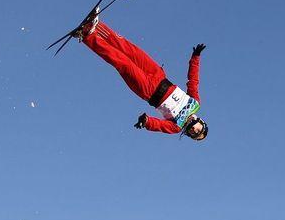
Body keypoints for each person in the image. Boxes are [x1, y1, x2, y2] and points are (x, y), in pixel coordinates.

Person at [74, 10, 208, 140]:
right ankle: (97, 26)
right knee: (130, 50)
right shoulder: (195, 103)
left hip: (149, 90)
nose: (193, 131)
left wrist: (147, 121)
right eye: (198, 130)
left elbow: (160, 125)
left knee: (123, 62)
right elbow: (193, 81)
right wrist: (195, 58)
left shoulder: (177, 127)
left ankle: (87, 35)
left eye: (193, 135)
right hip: (158, 75)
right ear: (201, 123)